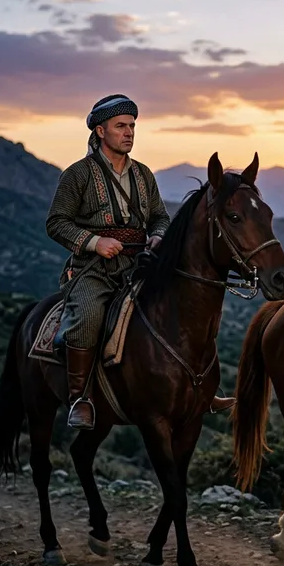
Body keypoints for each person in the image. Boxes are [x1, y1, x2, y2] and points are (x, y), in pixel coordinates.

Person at [46, 94, 170, 430]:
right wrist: (95, 242)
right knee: (88, 316)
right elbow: (56, 222)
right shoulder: (78, 174)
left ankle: (194, 389)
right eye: (121, 126)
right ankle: (80, 398)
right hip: (94, 270)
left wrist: (158, 235)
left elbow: (159, 216)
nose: (129, 132)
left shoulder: (144, 174)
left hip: (139, 266)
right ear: (101, 131)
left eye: (132, 126)